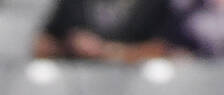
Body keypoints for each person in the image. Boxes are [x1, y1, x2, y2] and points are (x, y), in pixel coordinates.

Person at [33, 0, 172, 62]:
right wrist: (68, 46)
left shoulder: (152, 4)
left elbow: (162, 50)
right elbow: (40, 46)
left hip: (135, 94)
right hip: (76, 90)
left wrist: (107, 51)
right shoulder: (74, 3)